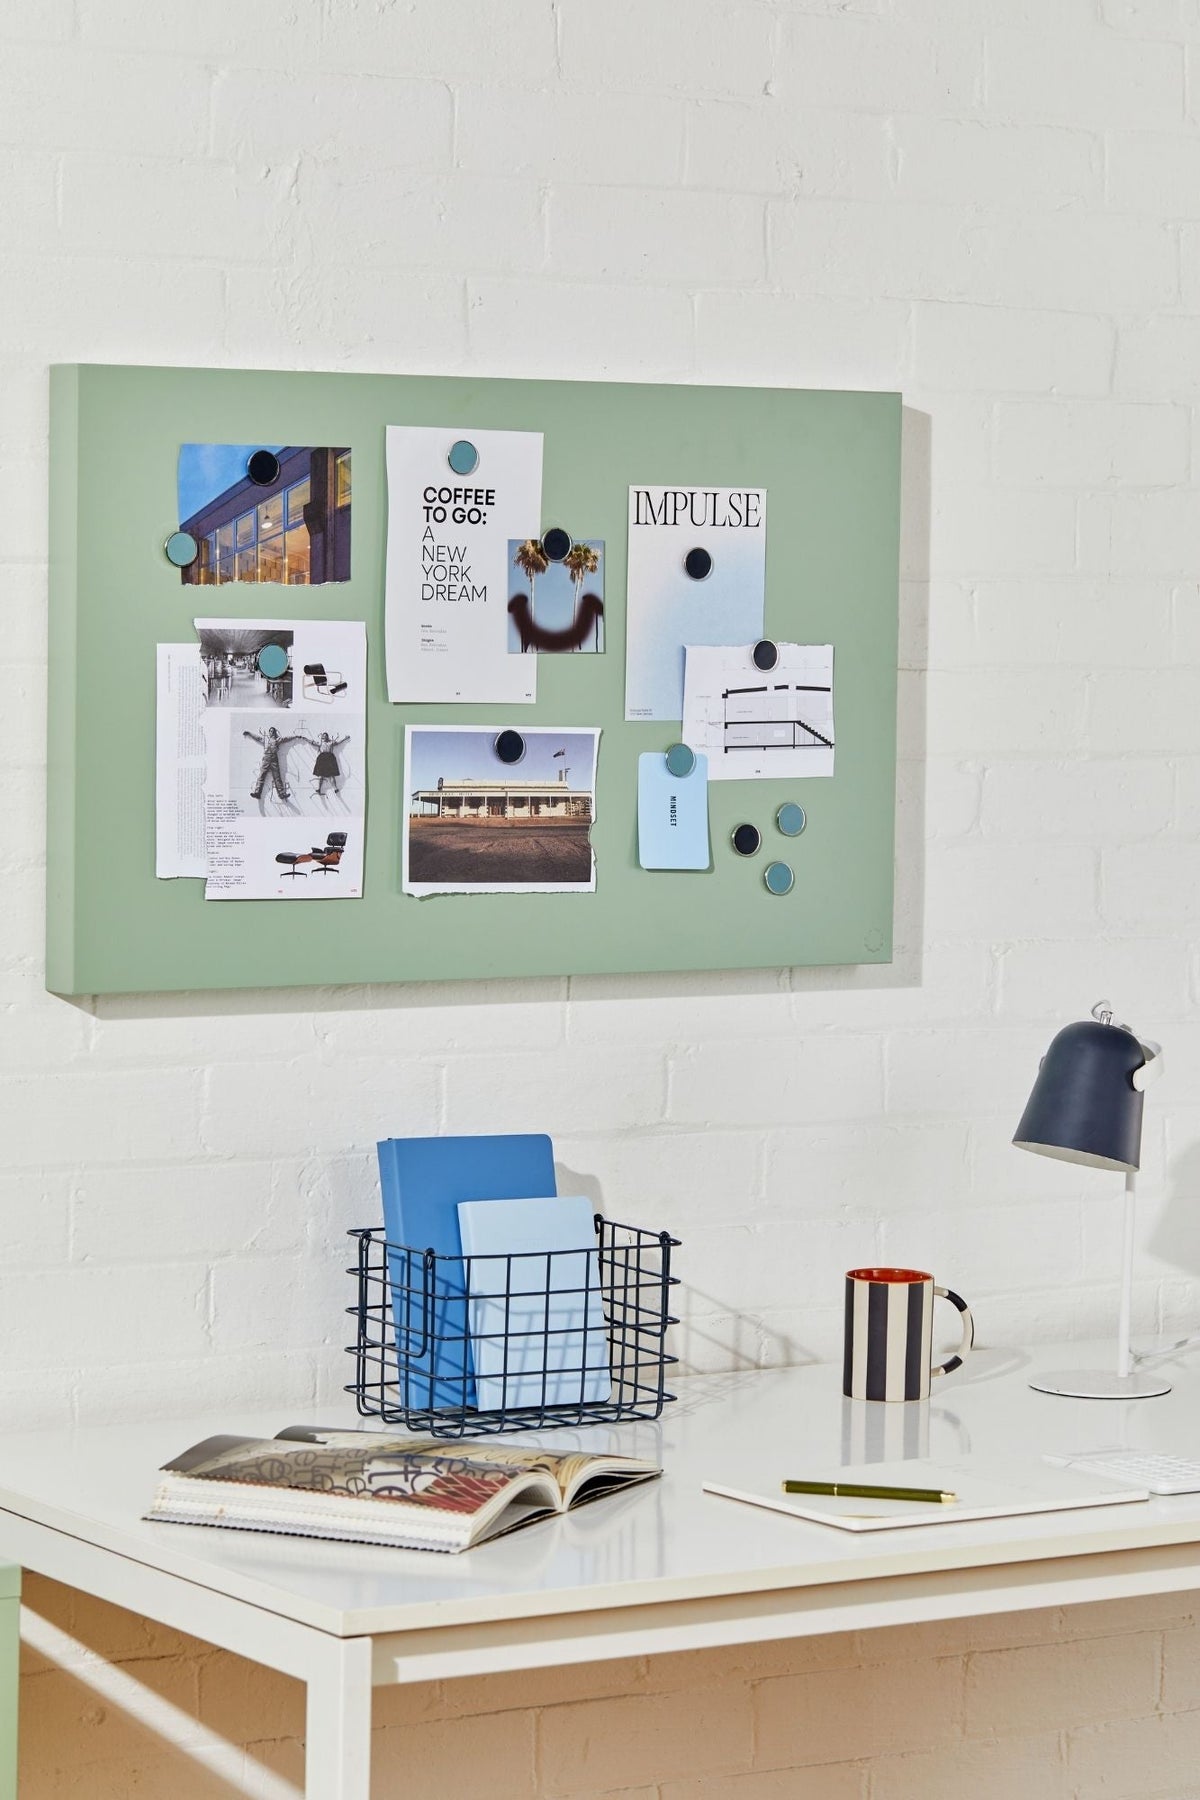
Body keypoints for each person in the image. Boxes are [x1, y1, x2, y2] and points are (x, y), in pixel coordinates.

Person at [244, 726, 305, 802]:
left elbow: (287, 738)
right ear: (269, 732)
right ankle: (257, 793)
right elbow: (257, 738)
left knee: (277, 777)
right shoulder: (265, 739)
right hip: (266, 758)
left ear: (275, 732)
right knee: (261, 776)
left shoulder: (278, 739)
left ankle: (282, 794)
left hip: (274, 759)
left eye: (273, 731)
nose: (271, 732)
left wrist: (295, 736)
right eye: (270, 731)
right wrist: (249, 734)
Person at [307, 732, 350, 798]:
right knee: (321, 776)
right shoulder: (320, 743)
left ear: (327, 736)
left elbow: (338, 743)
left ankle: (336, 788)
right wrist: (304, 738)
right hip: (322, 760)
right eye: (323, 736)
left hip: (330, 759)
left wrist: (345, 738)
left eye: (325, 736)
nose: (324, 737)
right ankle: (319, 789)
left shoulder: (331, 743)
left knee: (332, 776)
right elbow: (312, 742)